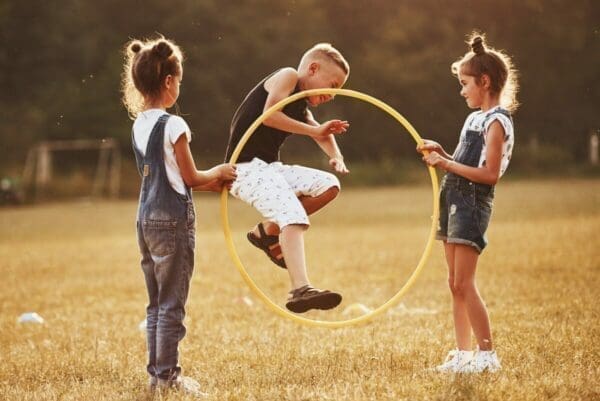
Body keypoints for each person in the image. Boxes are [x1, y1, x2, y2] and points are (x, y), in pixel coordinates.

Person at [121, 36, 237, 396]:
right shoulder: (174, 126)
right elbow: (190, 177)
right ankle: (168, 377)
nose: (179, 87)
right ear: (169, 81)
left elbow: (171, 176)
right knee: (172, 305)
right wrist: (219, 171)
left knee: (156, 303)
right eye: (180, 81)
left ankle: (157, 376)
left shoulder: (139, 124)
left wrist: (214, 184)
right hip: (172, 222)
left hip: (146, 220)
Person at [417, 33, 519, 373]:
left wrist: (445, 164)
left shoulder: (497, 122)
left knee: (465, 282)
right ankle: (462, 355)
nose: (462, 91)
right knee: (453, 282)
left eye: (465, 84)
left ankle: (487, 356)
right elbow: (465, 162)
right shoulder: (474, 117)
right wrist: (443, 153)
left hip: (472, 203)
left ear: (484, 82)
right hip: (453, 197)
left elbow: (489, 174)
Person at [225, 43, 350, 313]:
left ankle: (267, 231)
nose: (333, 94)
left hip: (270, 167)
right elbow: (269, 116)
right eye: (333, 84)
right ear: (313, 69)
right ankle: (300, 289)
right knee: (293, 215)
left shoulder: (300, 103)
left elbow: (321, 132)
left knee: (329, 185)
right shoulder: (288, 76)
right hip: (246, 169)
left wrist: (336, 156)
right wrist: (313, 131)